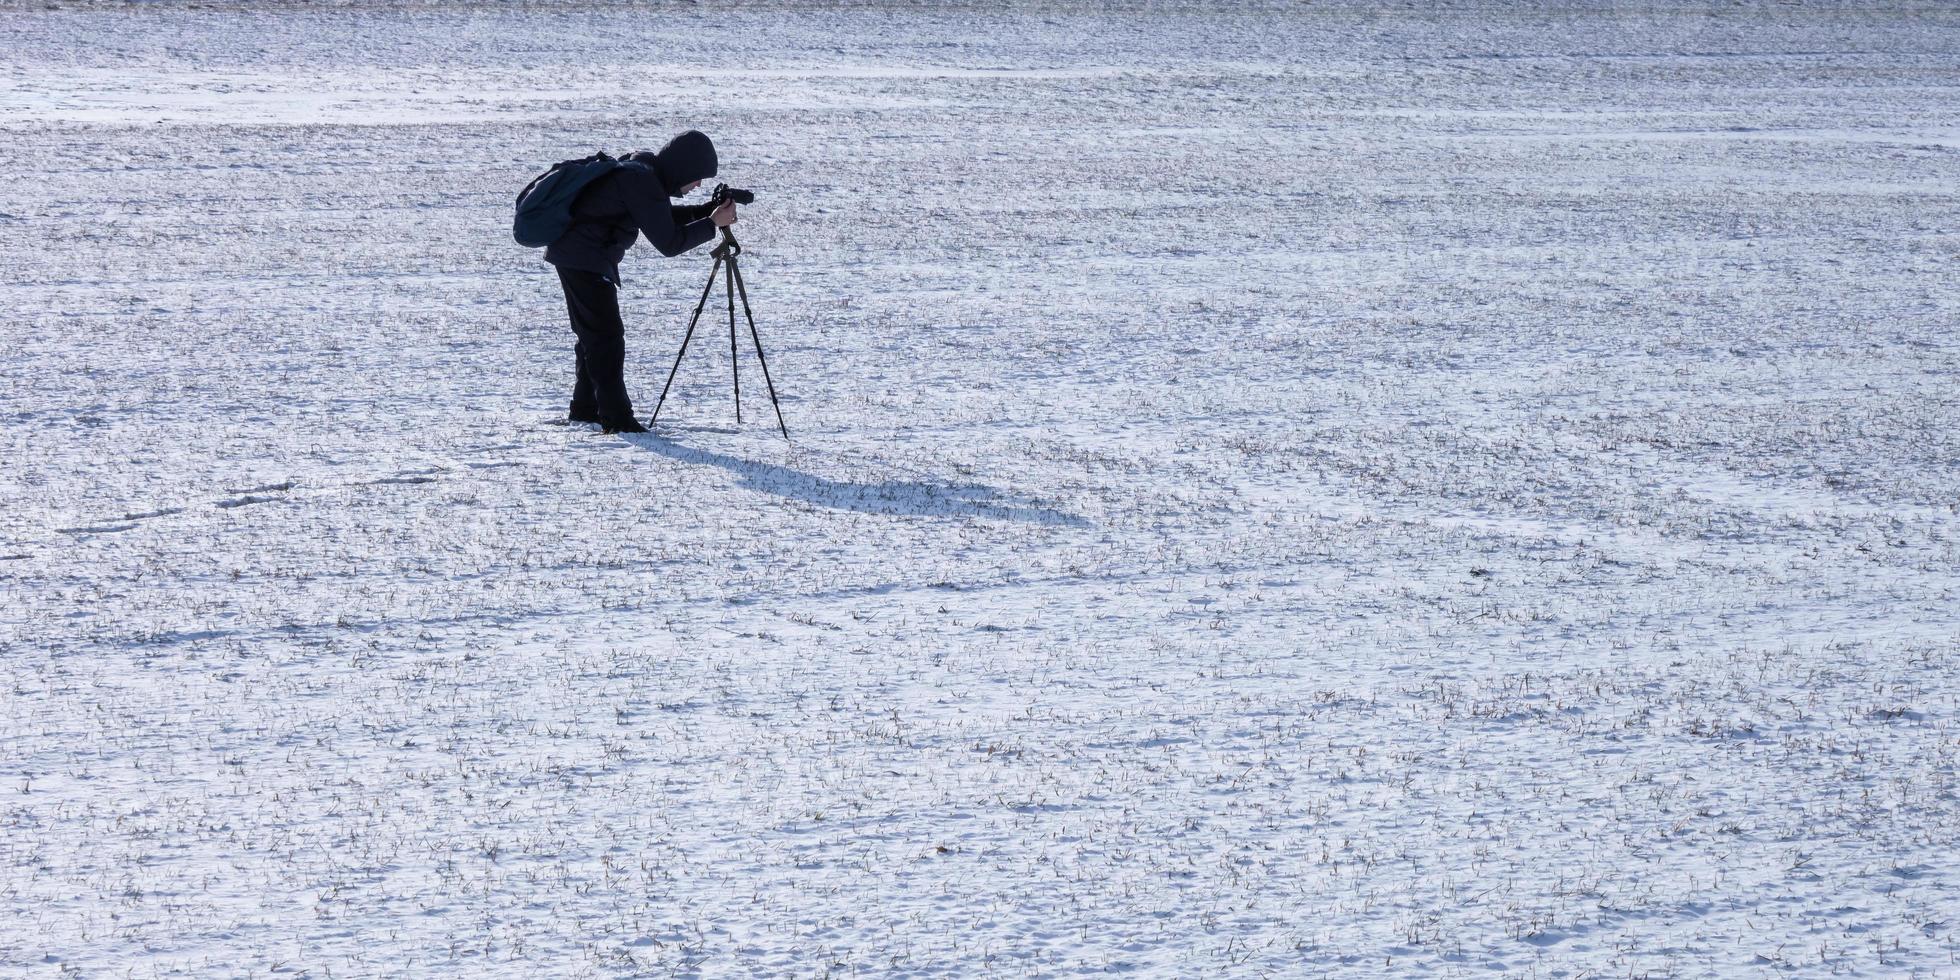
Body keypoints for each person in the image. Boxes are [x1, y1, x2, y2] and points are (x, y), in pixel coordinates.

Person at [543, 130, 737, 433]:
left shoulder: (644, 171)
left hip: (578, 255)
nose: (699, 185)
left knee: (594, 337)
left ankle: (585, 409)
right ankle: (616, 419)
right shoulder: (641, 180)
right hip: (583, 258)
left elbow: (658, 215)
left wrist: (706, 213)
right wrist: (712, 224)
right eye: (698, 177)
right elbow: (669, 242)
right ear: (683, 168)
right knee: (605, 339)